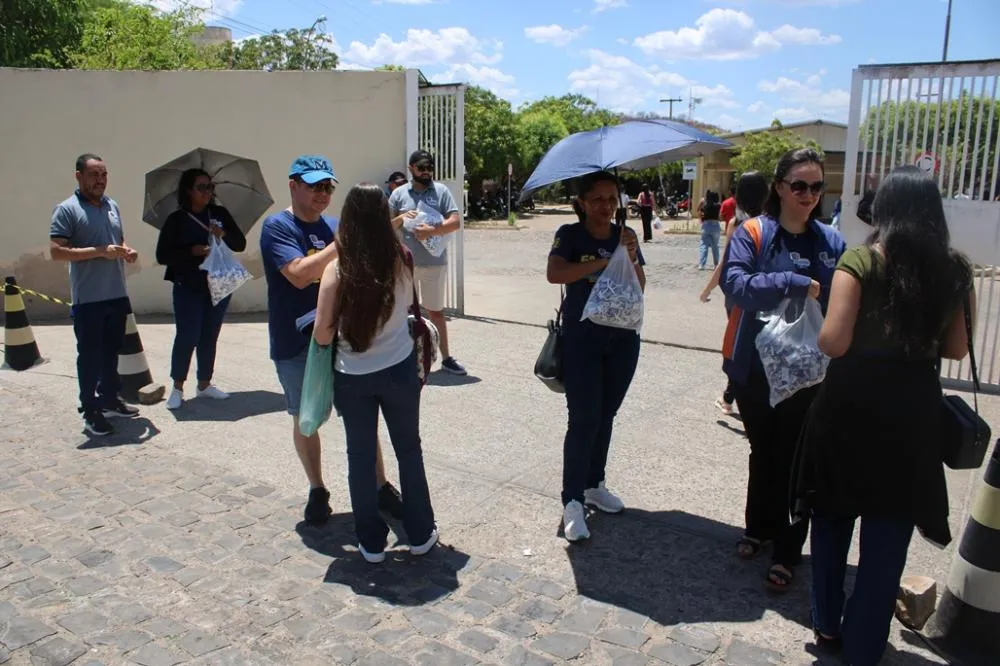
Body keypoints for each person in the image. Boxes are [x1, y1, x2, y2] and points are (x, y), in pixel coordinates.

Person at [794, 166, 973, 665]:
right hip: (911, 416)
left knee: (832, 519)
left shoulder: (860, 260)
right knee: (888, 537)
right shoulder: (955, 270)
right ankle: (865, 645)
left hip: (850, 408)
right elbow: (957, 348)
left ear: (885, 209)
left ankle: (827, 624)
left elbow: (833, 341)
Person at [720, 148, 846, 590]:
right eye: (799, 185)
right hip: (754, 369)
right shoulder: (754, 233)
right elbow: (736, 284)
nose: (809, 194)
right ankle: (759, 527)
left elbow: (843, 301)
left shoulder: (831, 242)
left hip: (807, 375)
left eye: (817, 186)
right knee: (763, 451)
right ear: (779, 187)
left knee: (795, 459)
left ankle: (789, 550)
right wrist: (791, 283)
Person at [260, 155, 401, 524]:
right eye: (315, 186)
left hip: (344, 340)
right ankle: (317, 488)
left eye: (328, 187)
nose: (323, 193)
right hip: (296, 343)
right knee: (305, 418)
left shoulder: (336, 226)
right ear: (293, 185)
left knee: (362, 416)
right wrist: (343, 244)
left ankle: (380, 486)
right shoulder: (278, 228)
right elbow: (299, 275)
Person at [313, 183, 438, 563]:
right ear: (385, 217)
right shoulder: (402, 258)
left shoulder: (338, 268)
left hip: (352, 376)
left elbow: (322, 333)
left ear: (348, 220)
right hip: (399, 368)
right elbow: (409, 308)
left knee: (361, 456)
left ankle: (370, 542)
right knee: (409, 451)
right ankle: (420, 533)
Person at [547, 171, 646, 542]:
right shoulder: (570, 235)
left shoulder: (626, 235)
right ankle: (572, 500)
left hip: (622, 339)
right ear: (582, 203)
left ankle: (594, 485)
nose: (606, 206)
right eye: (598, 199)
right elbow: (555, 273)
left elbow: (640, 286)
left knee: (606, 415)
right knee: (584, 418)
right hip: (582, 339)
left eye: (611, 199)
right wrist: (601, 263)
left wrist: (630, 256)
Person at [49, 154, 140, 437]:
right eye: (94, 175)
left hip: (116, 293)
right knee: (89, 357)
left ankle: (110, 399)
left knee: (112, 352)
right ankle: (90, 410)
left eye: (103, 174)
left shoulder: (112, 205)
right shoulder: (67, 209)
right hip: (88, 299)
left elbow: (118, 240)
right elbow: (56, 252)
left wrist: (126, 250)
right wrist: (100, 251)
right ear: (78, 176)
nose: (100, 180)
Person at [156, 168, 247, 410]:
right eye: (201, 187)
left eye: (210, 187)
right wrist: (192, 251)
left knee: (209, 335)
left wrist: (223, 233)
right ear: (188, 190)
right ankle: (177, 387)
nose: (208, 192)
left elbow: (240, 243)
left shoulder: (218, 213)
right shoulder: (177, 219)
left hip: (218, 282)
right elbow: (163, 255)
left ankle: (204, 384)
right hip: (188, 284)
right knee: (188, 335)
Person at [388, 150, 466, 375]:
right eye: (421, 168)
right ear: (411, 168)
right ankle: (400, 360)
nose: (426, 172)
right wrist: (401, 218)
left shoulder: (441, 191)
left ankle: (446, 358)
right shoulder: (398, 194)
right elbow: (385, 226)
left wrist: (432, 230)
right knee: (402, 312)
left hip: (434, 263)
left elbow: (455, 222)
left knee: (436, 312)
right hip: (404, 265)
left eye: (430, 168)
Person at [699, 171, 770, 416]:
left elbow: (726, 263)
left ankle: (731, 396)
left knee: (740, 345)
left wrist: (707, 289)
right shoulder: (773, 223)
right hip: (766, 292)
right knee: (756, 345)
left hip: (739, 295)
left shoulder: (738, 224)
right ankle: (734, 395)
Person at [698, 198, 722, 270]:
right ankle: (716, 264)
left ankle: (702, 264)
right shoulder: (718, 205)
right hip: (715, 224)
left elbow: (699, 211)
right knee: (715, 246)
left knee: (704, 245)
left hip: (706, 224)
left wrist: (701, 216)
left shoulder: (705, 204)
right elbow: (720, 216)